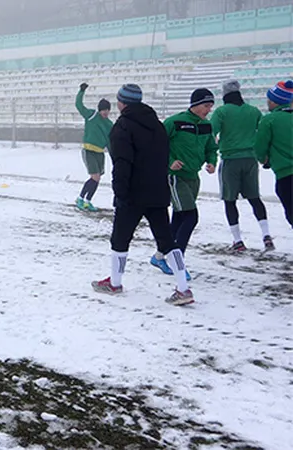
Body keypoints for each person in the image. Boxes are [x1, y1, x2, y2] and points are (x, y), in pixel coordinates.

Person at [92, 84, 194, 306]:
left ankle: (115, 283)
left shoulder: (123, 127)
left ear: (122, 103)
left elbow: (122, 163)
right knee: (166, 240)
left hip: (132, 193)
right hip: (157, 192)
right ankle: (183, 288)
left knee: (120, 238)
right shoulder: (157, 125)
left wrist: (120, 192)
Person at [150, 88, 218, 279]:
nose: (208, 110)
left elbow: (211, 148)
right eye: (206, 106)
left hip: (193, 177)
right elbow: (158, 144)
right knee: (190, 216)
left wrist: (212, 161)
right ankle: (176, 261)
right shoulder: (175, 122)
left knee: (179, 219)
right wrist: (170, 160)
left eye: (211, 106)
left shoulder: (207, 126)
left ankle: (159, 256)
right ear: (195, 104)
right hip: (174, 176)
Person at [210, 79, 272, 252]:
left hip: (230, 160)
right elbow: (264, 133)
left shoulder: (221, 112)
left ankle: (238, 241)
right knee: (254, 198)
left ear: (224, 94)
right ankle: (266, 235)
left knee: (229, 201)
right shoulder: (253, 111)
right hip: (250, 159)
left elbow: (211, 133)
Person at [255, 80, 293, 229]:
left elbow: (260, 147)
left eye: (269, 100)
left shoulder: (269, 120)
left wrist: (263, 159)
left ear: (275, 101)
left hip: (286, 175)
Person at [75, 83, 113, 212]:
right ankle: (80, 198)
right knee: (95, 177)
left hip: (100, 153)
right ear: (99, 109)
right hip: (89, 150)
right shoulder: (91, 115)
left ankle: (87, 201)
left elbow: (110, 142)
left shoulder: (109, 124)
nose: (105, 112)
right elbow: (79, 106)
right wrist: (81, 91)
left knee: (98, 178)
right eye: (103, 110)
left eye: (107, 110)